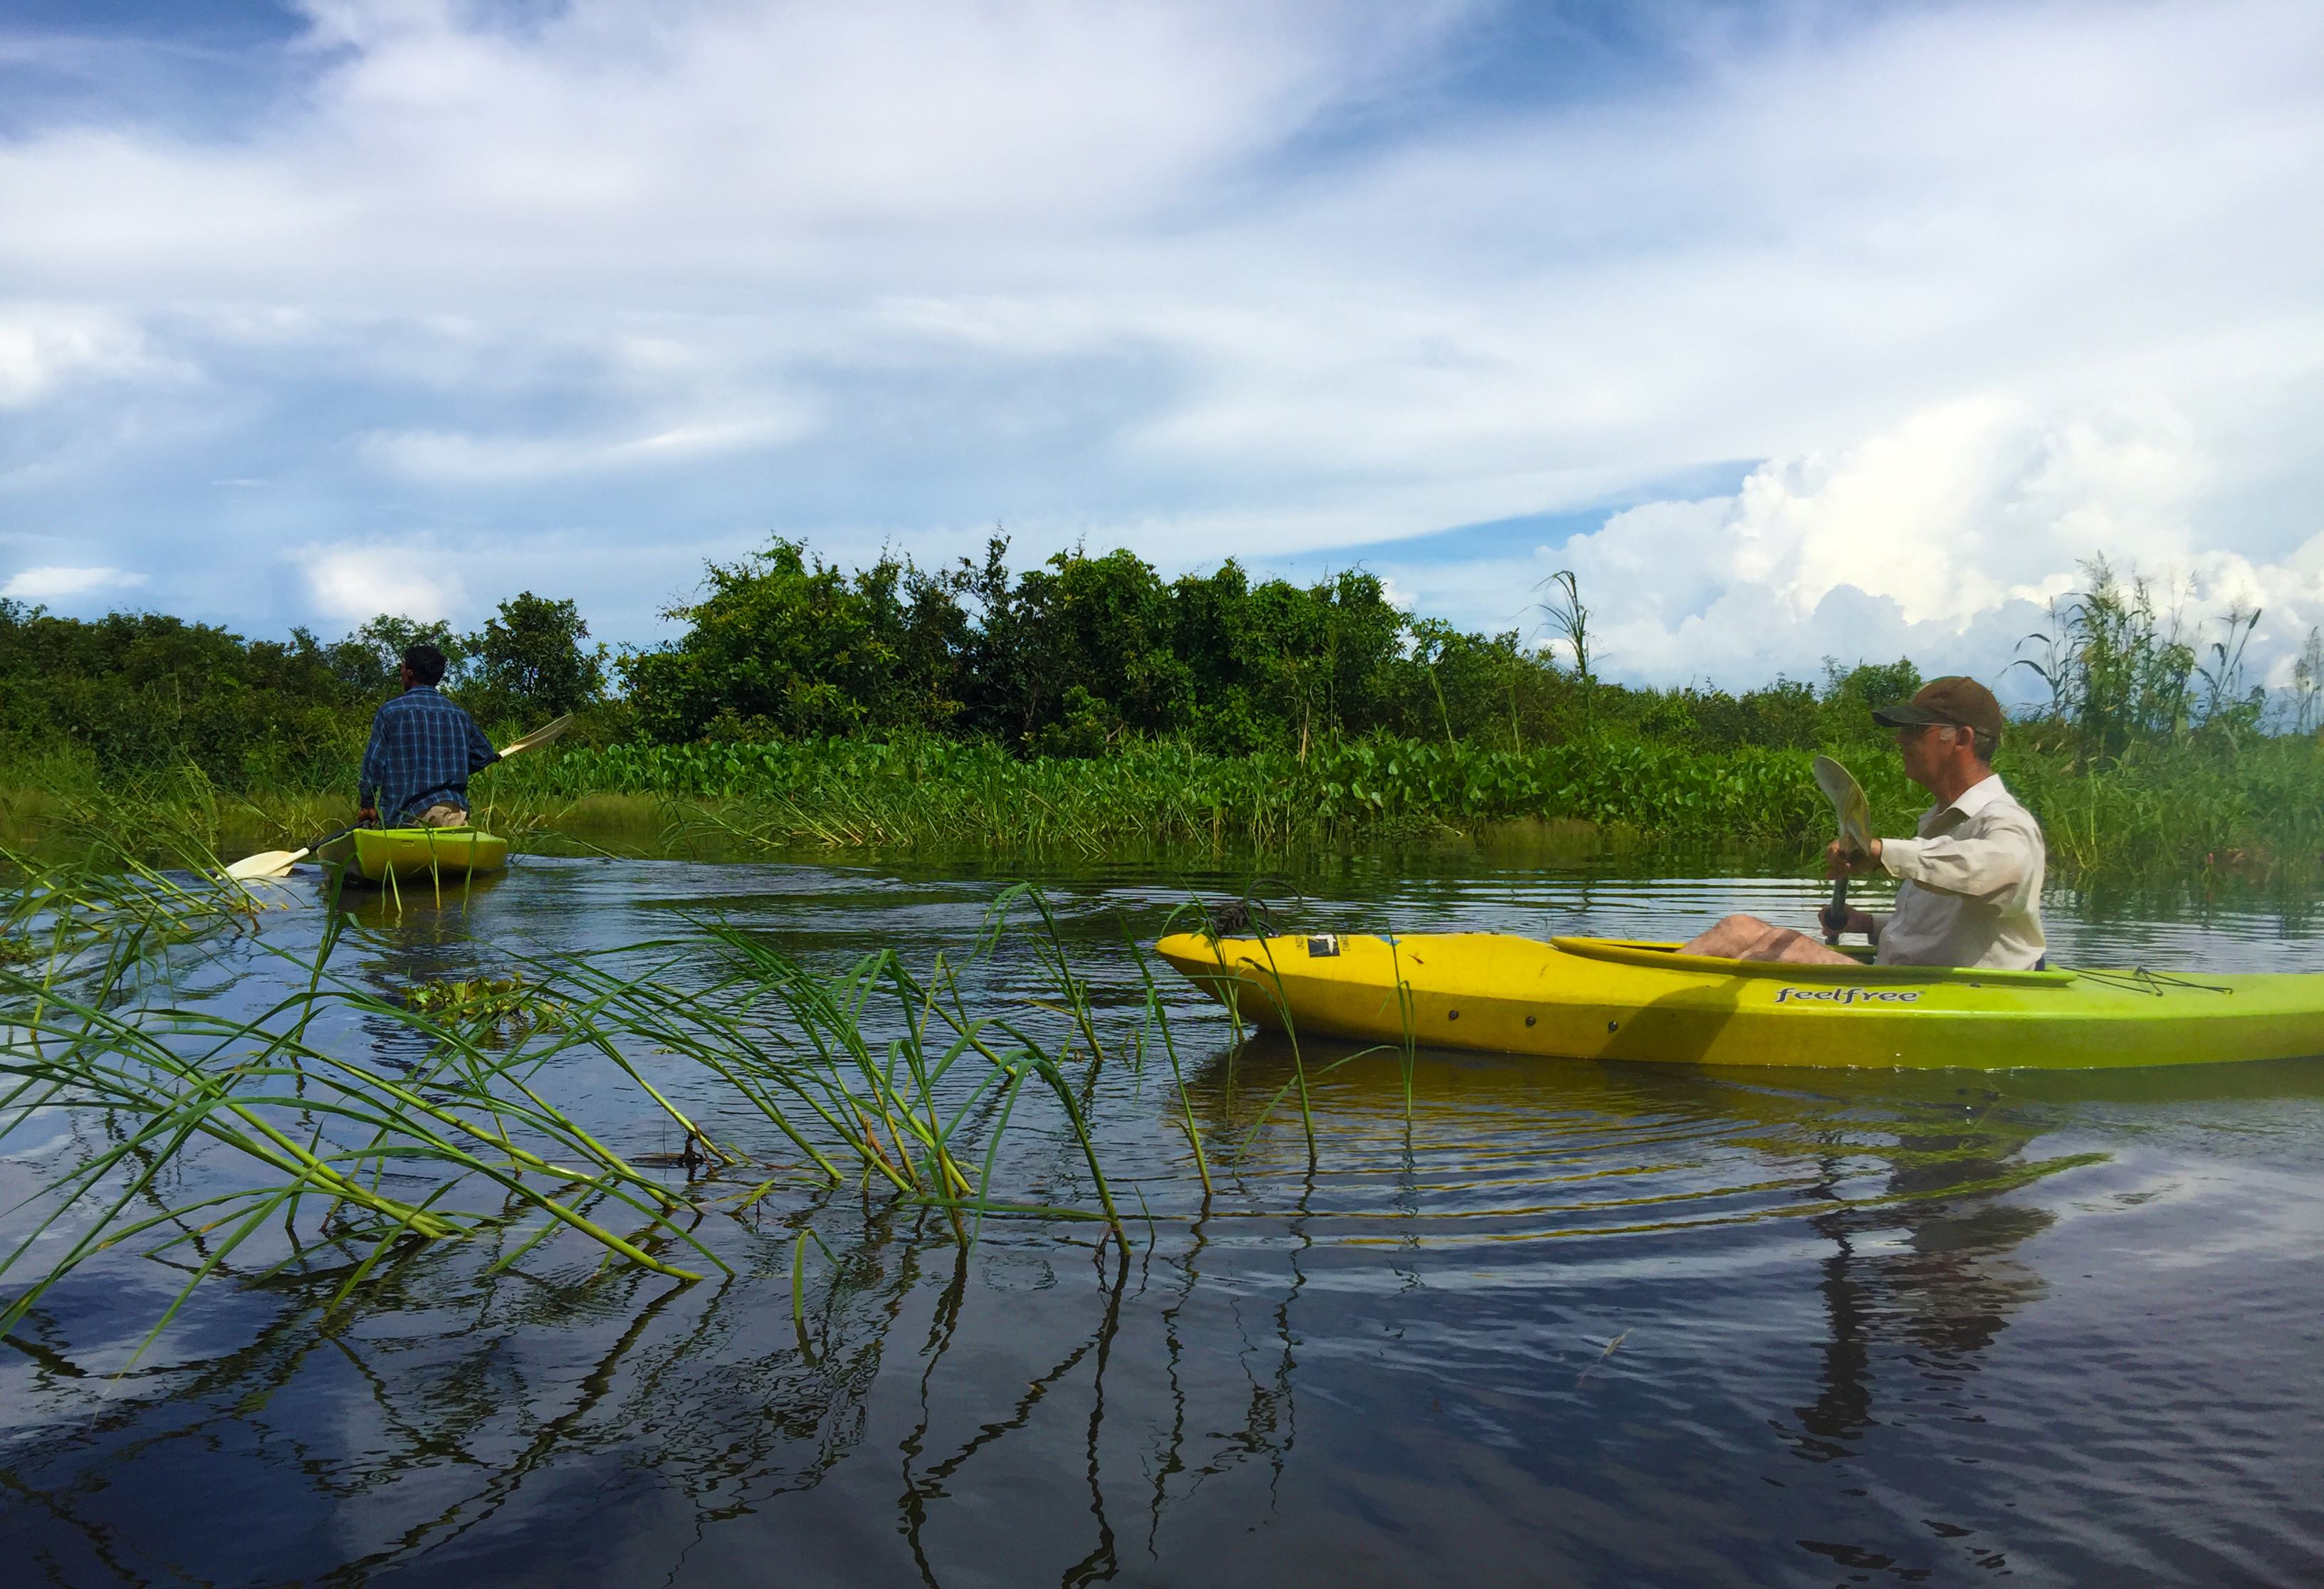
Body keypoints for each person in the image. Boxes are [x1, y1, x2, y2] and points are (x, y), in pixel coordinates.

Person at [1680, 676, 2046, 970]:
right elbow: (1946, 932)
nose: (1900, 738)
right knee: (1737, 928)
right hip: (1905, 981)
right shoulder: (1940, 821)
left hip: (1966, 997)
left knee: (1776, 956)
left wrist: (1883, 851)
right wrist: (1869, 925)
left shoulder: (2006, 820)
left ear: (1962, 738)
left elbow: (2001, 871)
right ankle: (1641, 996)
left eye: (1916, 729)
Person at [357, 644, 500, 828]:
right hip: (454, 814)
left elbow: (373, 766)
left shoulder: (390, 712)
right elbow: (484, 755)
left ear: (410, 673)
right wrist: (452, 769)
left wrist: (367, 805)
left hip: (406, 814)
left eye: (402, 667)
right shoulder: (460, 715)